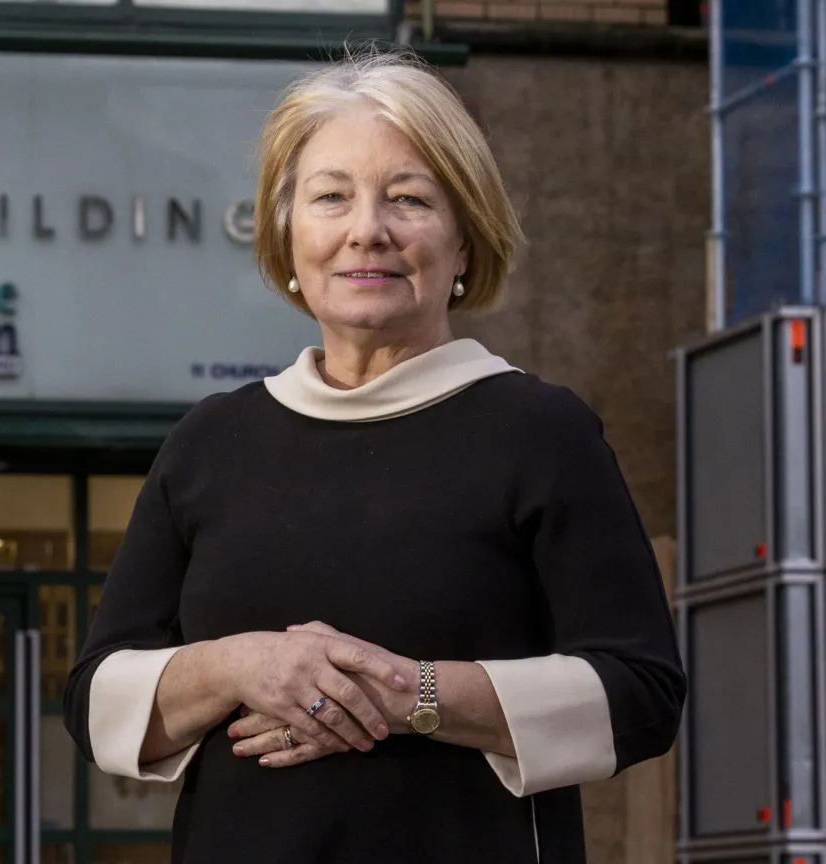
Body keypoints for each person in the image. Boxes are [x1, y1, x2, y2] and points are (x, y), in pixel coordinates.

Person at [62, 47, 686, 864]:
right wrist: (241, 665)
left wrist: (406, 694)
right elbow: (95, 696)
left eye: (409, 199)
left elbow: (641, 694)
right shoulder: (209, 443)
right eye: (330, 197)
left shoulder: (541, 431)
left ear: (464, 240)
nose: (368, 230)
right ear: (288, 236)